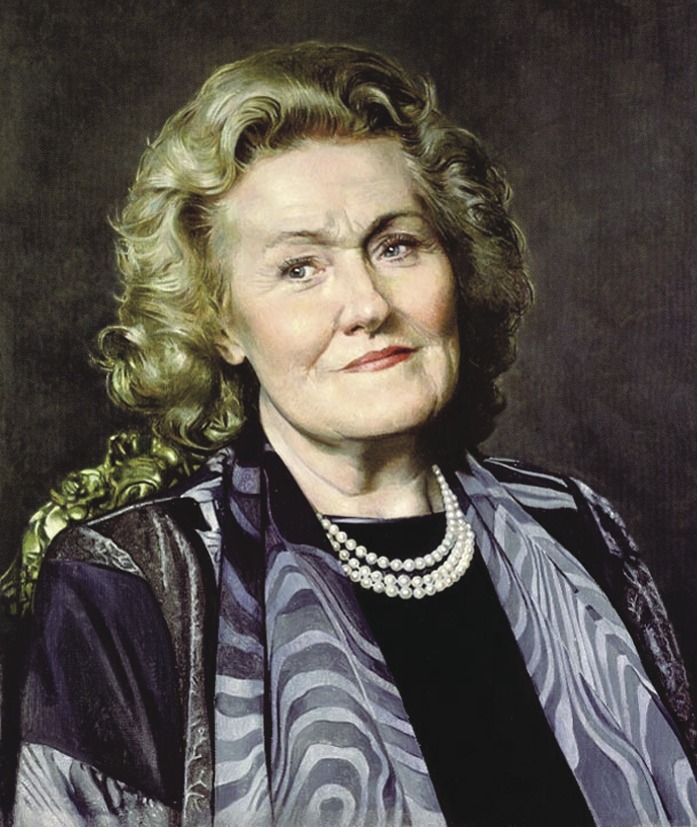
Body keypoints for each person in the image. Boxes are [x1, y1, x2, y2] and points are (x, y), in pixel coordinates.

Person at [4, 42, 697, 827]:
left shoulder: (576, 527)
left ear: (456, 265)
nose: (367, 303)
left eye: (396, 246)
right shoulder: (131, 583)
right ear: (219, 321)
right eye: (300, 267)